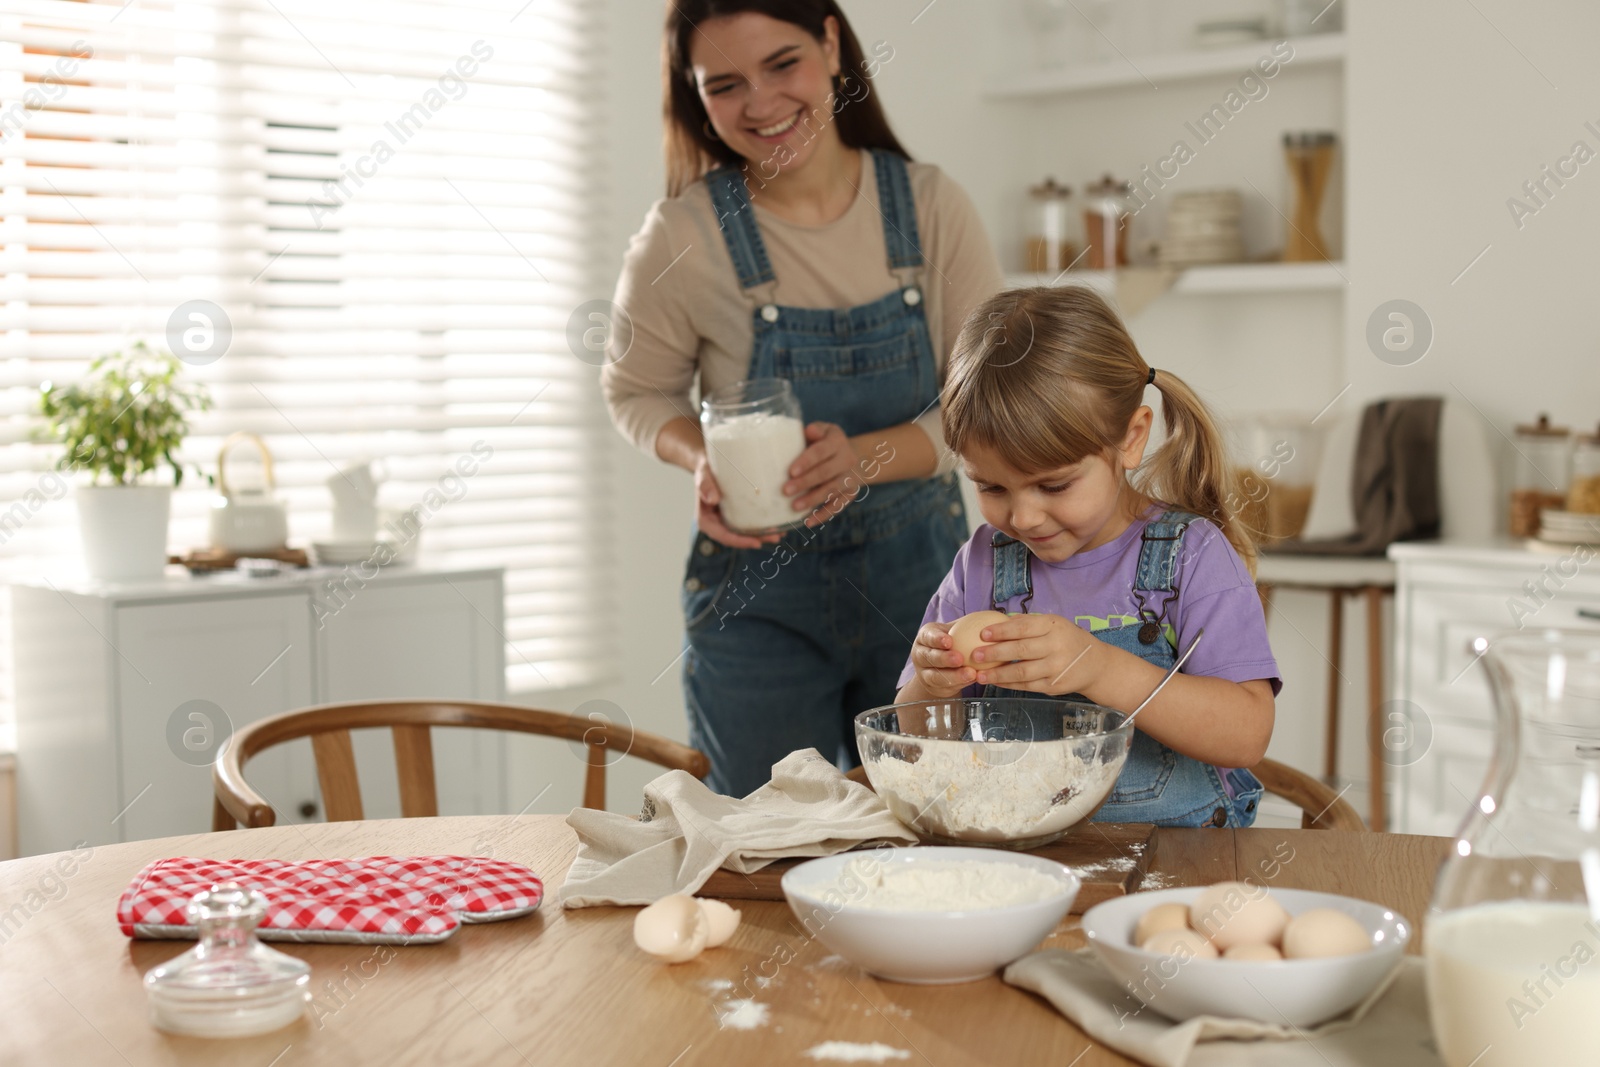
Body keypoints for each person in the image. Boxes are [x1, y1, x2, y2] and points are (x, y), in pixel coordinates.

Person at [601, 0, 1002, 796]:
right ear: (694, 94)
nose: (759, 104)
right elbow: (636, 391)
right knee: (764, 851)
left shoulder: (929, 207)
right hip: (759, 602)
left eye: (782, 64)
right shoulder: (682, 233)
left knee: (928, 834)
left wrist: (864, 458)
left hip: (923, 595)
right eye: (724, 85)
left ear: (829, 44)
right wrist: (701, 458)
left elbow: (981, 406)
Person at [897, 286, 1277, 828]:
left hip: (1179, 867)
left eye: (1053, 485)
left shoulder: (1192, 556)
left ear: (1130, 438)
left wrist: (1098, 668)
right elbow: (915, 740)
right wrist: (932, 688)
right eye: (993, 488)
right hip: (1026, 866)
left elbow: (1246, 734)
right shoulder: (981, 565)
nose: (1023, 518)